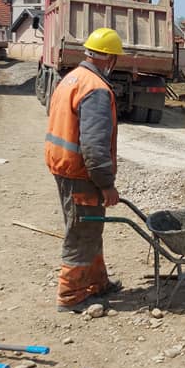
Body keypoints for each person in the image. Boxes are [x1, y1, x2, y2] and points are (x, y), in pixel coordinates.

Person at [44, 27, 124, 313]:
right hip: (81, 174)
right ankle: (71, 294)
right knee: (81, 231)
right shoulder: (97, 90)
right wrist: (106, 184)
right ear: (109, 59)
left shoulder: (72, 79)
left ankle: (96, 282)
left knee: (91, 227)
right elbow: (94, 145)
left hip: (66, 167)